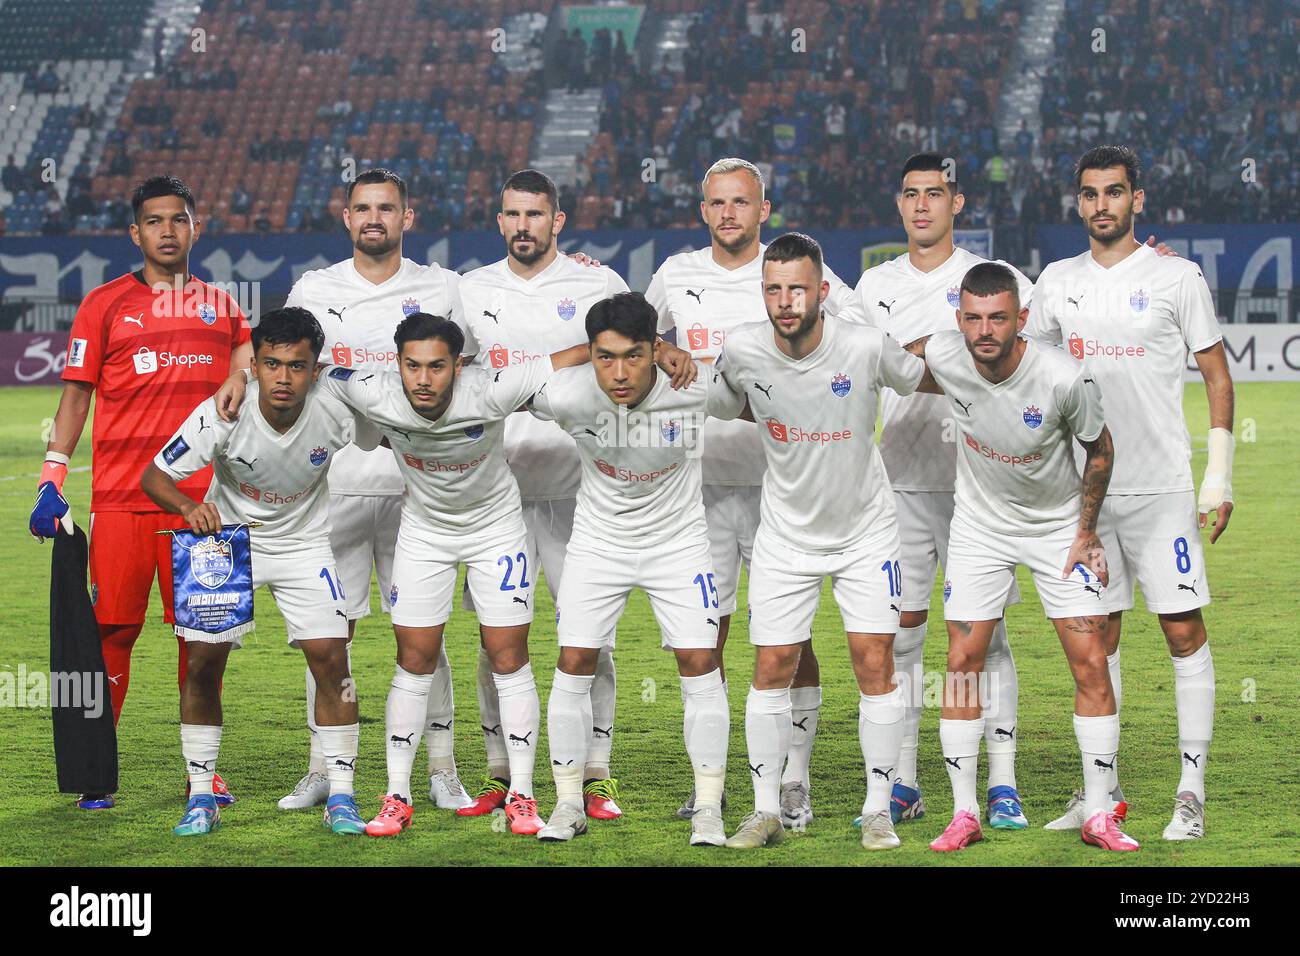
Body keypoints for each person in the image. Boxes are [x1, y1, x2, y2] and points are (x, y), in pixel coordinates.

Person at [218, 168, 470, 814]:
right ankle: (323, 769)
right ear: (346, 217)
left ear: (407, 218)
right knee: (329, 637)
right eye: (363, 208)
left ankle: (441, 768)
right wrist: (236, 371)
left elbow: (464, 374)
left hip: (422, 494)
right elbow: (275, 353)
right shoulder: (316, 288)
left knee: (424, 634)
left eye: (387, 208)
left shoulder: (442, 287)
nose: (374, 219)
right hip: (335, 492)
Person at [645, 157, 868, 825]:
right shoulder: (674, 277)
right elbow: (639, 336)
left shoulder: (793, 272)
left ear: (764, 210)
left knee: (789, 641)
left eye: (741, 202)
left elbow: (859, 332)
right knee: (700, 638)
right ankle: (708, 782)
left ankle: (793, 780)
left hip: (786, 492)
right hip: (699, 493)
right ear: (702, 209)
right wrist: (662, 353)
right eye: (717, 203)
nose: (729, 214)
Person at [1027, 145, 1234, 841]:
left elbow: (1216, 376)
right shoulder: (1055, 282)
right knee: (1096, 637)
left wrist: (1219, 475)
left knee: (1182, 630)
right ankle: (1101, 793)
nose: (1101, 205)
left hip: (1162, 492)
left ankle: (1191, 791)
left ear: (1136, 199)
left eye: (1114, 192)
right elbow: (1032, 376)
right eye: (1089, 194)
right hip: (1085, 498)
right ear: (1077, 201)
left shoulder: (1177, 277)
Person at [30, 175, 250, 811]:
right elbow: (76, 396)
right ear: (136, 233)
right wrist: (52, 475)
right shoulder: (101, 305)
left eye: (179, 219)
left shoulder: (225, 307)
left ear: (195, 228)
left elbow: (249, 373)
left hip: (206, 505)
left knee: (202, 640)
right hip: (122, 499)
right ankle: (97, 771)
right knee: (112, 632)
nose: (167, 231)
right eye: (154, 221)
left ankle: (200, 776)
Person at [905, 261, 1139, 853]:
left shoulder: (1064, 378)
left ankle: (1099, 810)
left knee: (1089, 660)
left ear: (1022, 320)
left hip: (1057, 528)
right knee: (961, 661)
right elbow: (875, 359)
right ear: (959, 320)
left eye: (999, 318)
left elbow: (1101, 452)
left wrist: (1086, 533)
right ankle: (964, 813)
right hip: (980, 529)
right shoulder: (943, 354)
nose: (985, 331)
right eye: (974, 319)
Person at [712, 234, 922, 851]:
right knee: (771, 667)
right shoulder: (743, 348)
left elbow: (920, 376)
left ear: (823, 291)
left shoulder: (862, 344)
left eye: (797, 287)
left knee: (874, 665)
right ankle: (765, 809)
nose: (785, 299)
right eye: (773, 288)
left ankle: (878, 809)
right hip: (785, 535)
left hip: (866, 533)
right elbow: (726, 403)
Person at [142, 308, 373, 836]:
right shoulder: (224, 411)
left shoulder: (338, 409)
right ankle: (201, 796)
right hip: (227, 541)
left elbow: (391, 427)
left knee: (333, 663)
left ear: (316, 370)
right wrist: (185, 507)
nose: (283, 378)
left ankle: (341, 794)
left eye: (296, 366)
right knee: (202, 664)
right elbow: (154, 476)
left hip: (304, 544)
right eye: (271, 364)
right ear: (255, 361)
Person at [853, 152, 1033, 830]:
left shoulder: (995, 281)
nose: (922, 205)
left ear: (958, 203)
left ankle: (1002, 782)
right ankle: (904, 779)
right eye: (910, 194)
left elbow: (1044, 350)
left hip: (979, 488)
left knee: (984, 636)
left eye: (935, 194)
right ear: (899, 205)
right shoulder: (871, 286)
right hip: (895, 485)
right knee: (901, 636)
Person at [457, 169, 640, 821]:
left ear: (557, 220)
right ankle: (502, 773)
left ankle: (595, 773)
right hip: (494, 498)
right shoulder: (470, 292)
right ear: (499, 220)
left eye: (536, 214)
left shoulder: (597, 285)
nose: (523, 226)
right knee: (492, 641)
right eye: (513, 214)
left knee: (592, 638)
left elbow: (631, 368)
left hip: (582, 495)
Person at [528, 293, 740, 846]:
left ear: (656, 351)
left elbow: (756, 394)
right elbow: (508, 380)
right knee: (574, 660)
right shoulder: (566, 393)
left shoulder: (694, 385)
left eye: (634, 356)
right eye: (604, 357)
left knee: (700, 662)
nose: (618, 373)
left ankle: (709, 808)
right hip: (599, 543)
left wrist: (679, 352)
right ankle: (569, 802)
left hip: (680, 543)